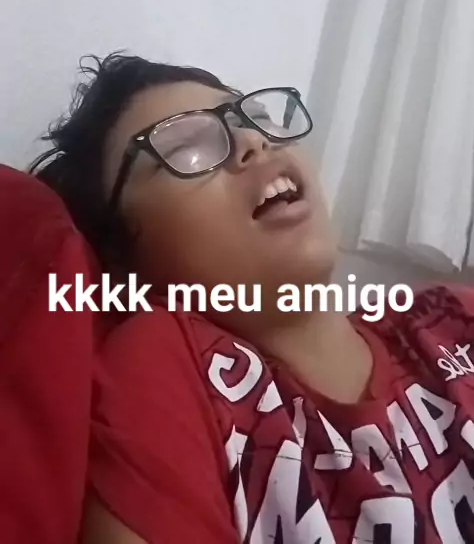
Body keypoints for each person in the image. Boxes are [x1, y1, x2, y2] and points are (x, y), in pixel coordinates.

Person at [33, 53, 474, 544]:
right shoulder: (169, 364)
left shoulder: (453, 318)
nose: (252, 141)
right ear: (124, 261)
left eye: (254, 116)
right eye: (188, 147)